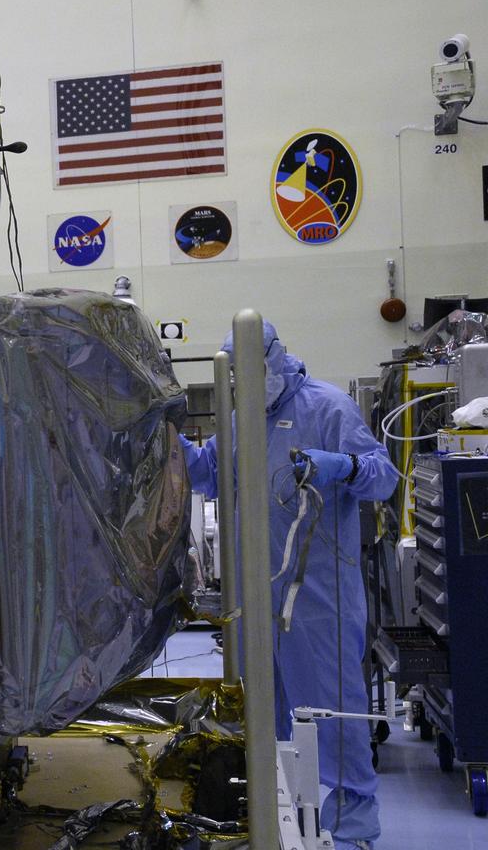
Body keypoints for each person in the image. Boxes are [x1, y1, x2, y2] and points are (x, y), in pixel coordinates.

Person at [180, 320, 398, 850]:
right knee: (267, 715)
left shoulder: (327, 408)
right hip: (257, 603)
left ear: (276, 357)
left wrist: (341, 466)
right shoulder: (240, 420)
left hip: (320, 599)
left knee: (332, 716)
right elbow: (208, 474)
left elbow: (384, 475)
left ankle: (352, 829)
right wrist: (167, 439)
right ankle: (277, 815)